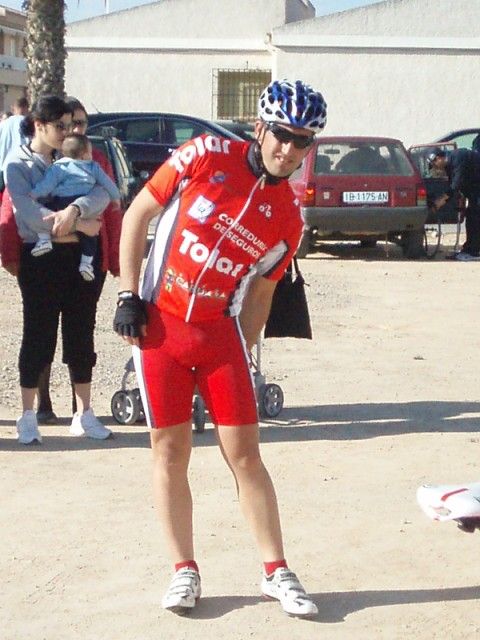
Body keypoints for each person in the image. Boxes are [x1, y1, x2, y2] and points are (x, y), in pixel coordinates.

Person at [113, 79, 327, 618]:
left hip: (219, 337)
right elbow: (137, 215)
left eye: (302, 141)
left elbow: (261, 295)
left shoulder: (288, 217)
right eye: (281, 135)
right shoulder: (205, 154)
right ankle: (184, 570)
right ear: (260, 128)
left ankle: (276, 571)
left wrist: (246, 356)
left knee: (246, 456)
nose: (288, 150)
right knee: (169, 451)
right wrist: (127, 294)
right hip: (159, 329)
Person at [0, 96, 122, 424]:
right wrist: (78, 225)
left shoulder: (75, 154)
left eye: (72, 125)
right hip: (40, 263)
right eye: (61, 126)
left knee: (81, 333)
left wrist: (76, 210)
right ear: (39, 125)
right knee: (38, 335)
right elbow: (26, 214)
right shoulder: (17, 164)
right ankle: (31, 415)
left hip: (79, 259)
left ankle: (84, 414)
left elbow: (102, 193)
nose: (69, 132)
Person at [30, 132, 120, 281]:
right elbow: (108, 183)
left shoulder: (59, 167)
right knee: (90, 234)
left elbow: (47, 185)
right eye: (90, 152)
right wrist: (116, 198)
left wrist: (33, 194)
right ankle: (86, 263)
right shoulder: (93, 166)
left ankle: (44, 239)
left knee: (46, 214)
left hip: (61, 201)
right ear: (84, 155)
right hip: (85, 202)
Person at [429, 146, 480, 261]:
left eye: (434, 164)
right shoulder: (449, 166)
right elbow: (456, 188)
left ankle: (473, 251)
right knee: (471, 217)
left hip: (477, 190)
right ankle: (469, 249)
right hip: (474, 191)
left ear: (439, 158)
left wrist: (440, 202)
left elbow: (456, 185)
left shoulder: (458, 158)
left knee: (475, 218)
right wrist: (460, 203)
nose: (435, 168)